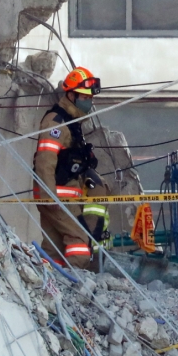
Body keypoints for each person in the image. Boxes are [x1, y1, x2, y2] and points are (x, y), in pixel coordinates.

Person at [33, 66, 109, 269]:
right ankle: (72, 283)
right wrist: (50, 196)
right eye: (85, 97)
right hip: (57, 196)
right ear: (71, 95)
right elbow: (45, 161)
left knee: (53, 250)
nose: (89, 101)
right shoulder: (56, 122)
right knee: (80, 248)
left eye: (90, 97)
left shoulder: (72, 122)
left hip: (59, 196)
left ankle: (49, 287)